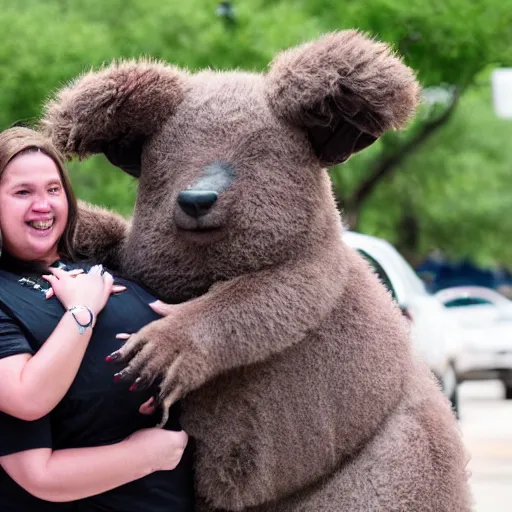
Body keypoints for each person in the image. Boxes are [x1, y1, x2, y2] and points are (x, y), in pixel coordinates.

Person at [0, 127, 194, 511]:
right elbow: (35, 464)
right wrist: (82, 312)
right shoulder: (6, 294)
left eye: (53, 190)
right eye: (23, 192)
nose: (43, 204)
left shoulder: (97, 266)